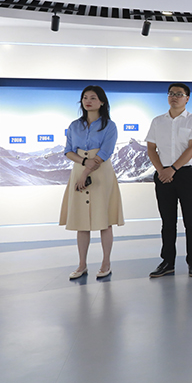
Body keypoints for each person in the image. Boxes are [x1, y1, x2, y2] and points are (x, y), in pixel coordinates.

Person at [60, 85, 124, 280]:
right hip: (80, 168)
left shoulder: (109, 126)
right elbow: (68, 151)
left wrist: (86, 171)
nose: (88, 101)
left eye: (93, 97)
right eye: (85, 97)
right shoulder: (74, 125)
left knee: (105, 220)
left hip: (101, 172)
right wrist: (83, 163)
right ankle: (82, 264)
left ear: (102, 102)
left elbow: (105, 152)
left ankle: (106, 263)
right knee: (81, 221)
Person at [146, 83, 192, 278]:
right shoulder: (157, 121)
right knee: (167, 221)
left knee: (191, 220)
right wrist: (161, 171)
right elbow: (151, 149)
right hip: (163, 174)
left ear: (187, 98)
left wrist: (173, 169)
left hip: (187, 175)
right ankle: (167, 262)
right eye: (171, 93)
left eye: (179, 94)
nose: (174, 97)